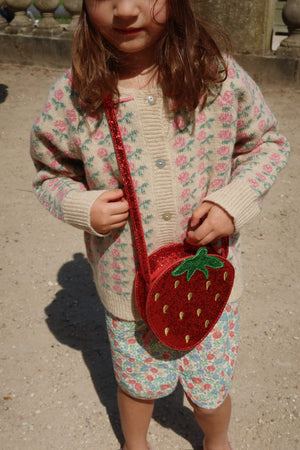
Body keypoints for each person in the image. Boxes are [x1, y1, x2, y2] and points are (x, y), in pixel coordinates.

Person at [30, 1, 290, 449]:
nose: (126, 11)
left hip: (209, 282)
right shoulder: (76, 93)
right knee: (137, 383)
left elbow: (267, 143)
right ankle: (135, 442)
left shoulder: (216, 75)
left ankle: (216, 438)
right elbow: (49, 173)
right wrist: (81, 205)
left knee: (211, 389)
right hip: (127, 287)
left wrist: (234, 201)